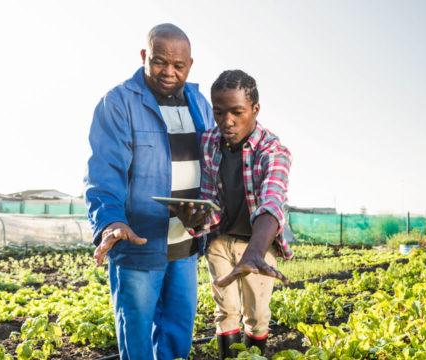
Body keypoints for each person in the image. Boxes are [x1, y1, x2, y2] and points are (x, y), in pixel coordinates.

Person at [84, 23, 215, 360]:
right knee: (137, 336)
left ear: (190, 65)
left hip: (185, 244)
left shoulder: (199, 103)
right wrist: (110, 220)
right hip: (138, 242)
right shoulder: (118, 103)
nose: (168, 72)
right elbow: (104, 173)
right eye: (159, 62)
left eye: (178, 65)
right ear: (144, 56)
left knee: (178, 332)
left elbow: (215, 164)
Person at [186, 69, 293, 359]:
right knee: (226, 312)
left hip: (257, 245)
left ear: (255, 109)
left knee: (257, 316)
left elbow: (272, 202)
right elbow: (210, 198)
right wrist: (196, 218)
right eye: (219, 112)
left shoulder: (272, 150)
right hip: (221, 242)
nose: (227, 121)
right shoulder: (210, 141)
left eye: (237, 112)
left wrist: (255, 252)